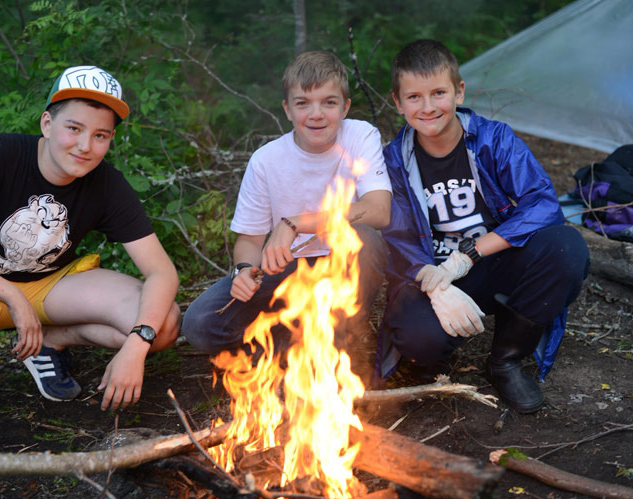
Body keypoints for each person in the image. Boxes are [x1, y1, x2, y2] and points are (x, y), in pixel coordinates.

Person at [0, 66, 180, 446]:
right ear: (47, 123)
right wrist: (11, 296)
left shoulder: (107, 184)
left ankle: (51, 341)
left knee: (163, 324)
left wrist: (137, 345)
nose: (85, 146)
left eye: (100, 135)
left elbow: (161, 272)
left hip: (51, 287)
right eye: (73, 128)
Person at [377, 40, 590, 413]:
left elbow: (543, 204)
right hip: (436, 275)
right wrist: (434, 284)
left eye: (438, 93)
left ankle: (506, 359)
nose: (428, 107)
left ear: (459, 92)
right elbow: (397, 239)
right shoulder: (394, 161)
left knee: (566, 249)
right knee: (417, 338)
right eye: (414, 97)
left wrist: (468, 254)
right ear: (398, 102)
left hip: (493, 261)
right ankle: (433, 354)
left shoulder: (494, 140)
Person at [181, 51, 391, 381]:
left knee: (364, 239)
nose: (316, 114)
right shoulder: (266, 160)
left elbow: (378, 210)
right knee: (200, 323)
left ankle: (335, 345)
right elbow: (249, 241)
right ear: (287, 109)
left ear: (345, 107)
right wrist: (244, 270)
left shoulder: (360, 136)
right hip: (287, 272)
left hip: (343, 265)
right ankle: (289, 344)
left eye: (329, 103)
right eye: (303, 103)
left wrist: (294, 224)